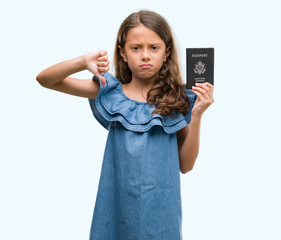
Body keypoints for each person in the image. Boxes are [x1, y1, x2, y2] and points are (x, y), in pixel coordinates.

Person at [36, 10, 214, 240]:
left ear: (167, 52)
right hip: (116, 212)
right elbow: (45, 79)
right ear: (123, 53)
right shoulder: (110, 92)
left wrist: (197, 114)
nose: (145, 55)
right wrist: (82, 61)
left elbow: (186, 165)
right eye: (136, 48)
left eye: (154, 47)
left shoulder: (176, 99)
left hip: (161, 217)